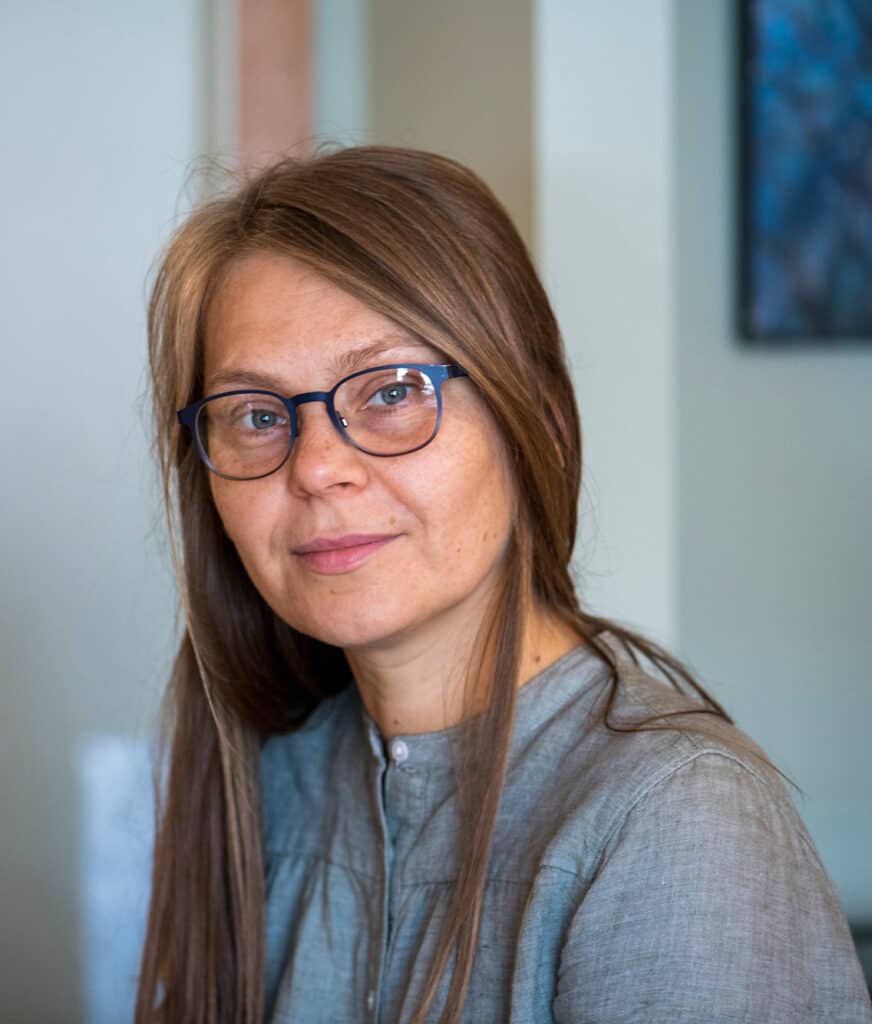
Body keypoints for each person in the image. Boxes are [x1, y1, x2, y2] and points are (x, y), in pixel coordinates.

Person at [135, 146, 871, 1024]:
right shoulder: (265, 782)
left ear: (539, 428)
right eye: (258, 415)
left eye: (393, 392)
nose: (318, 467)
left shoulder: (677, 820)